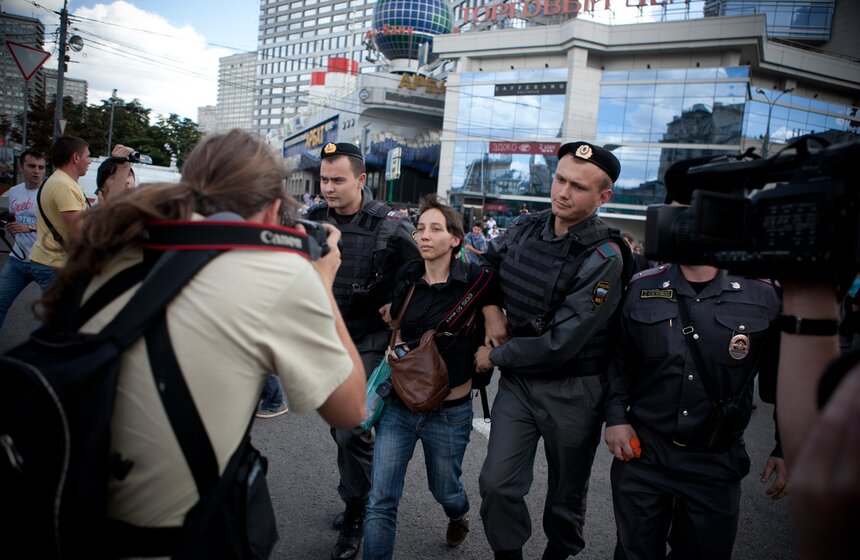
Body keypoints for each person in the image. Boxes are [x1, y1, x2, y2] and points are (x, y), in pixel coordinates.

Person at [38, 129, 367, 551]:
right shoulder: (277, 274)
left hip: (69, 518)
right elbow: (350, 408)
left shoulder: (113, 244)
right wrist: (320, 281)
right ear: (271, 211)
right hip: (169, 541)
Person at [603, 178, 788, 560]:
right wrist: (616, 417)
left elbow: (782, 379)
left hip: (716, 459)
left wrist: (786, 447)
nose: (687, 225)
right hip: (645, 453)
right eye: (679, 214)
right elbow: (620, 360)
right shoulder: (641, 287)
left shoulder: (764, 295)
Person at [474, 141, 632, 560]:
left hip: (574, 390)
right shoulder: (527, 228)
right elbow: (485, 267)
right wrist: (492, 311)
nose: (562, 192)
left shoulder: (605, 255)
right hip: (522, 385)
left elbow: (563, 342)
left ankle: (558, 554)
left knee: (566, 495)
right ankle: (508, 554)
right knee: (496, 483)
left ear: (603, 197)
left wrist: (495, 356)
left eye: (578, 187)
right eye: (560, 179)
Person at [363, 195, 505, 560]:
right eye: (420, 228)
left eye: (435, 229)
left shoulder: (477, 281)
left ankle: (458, 513)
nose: (424, 235)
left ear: (455, 239)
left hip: (450, 411)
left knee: (444, 488)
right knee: (380, 499)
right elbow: (395, 317)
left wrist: (491, 319)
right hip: (399, 404)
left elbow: (498, 315)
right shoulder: (409, 276)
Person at [304, 142, 420, 560]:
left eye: (337, 180)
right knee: (339, 428)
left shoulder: (390, 225)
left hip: (370, 339)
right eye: (324, 180)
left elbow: (421, 271)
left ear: (360, 180)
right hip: (325, 336)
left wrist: (400, 303)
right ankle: (359, 496)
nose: (329, 189)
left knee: (353, 426)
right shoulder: (314, 220)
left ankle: (357, 509)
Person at [0, 150, 52, 329]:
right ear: (21, 167)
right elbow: (13, 216)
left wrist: (28, 227)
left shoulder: (50, 192)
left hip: (45, 261)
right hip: (17, 259)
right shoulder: (13, 192)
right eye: (31, 166)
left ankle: (36, 355)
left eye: (41, 167)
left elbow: (59, 226)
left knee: (51, 314)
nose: (37, 171)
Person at [29, 136, 92, 281]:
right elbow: (78, 233)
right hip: (55, 264)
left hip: (49, 261)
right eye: (88, 156)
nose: (89, 161)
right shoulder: (64, 185)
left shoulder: (58, 180)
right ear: (76, 157)